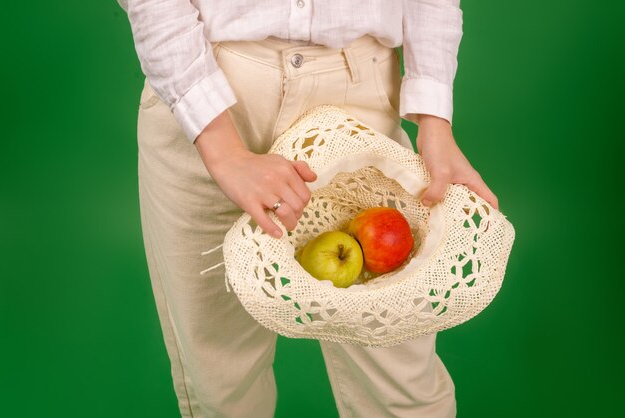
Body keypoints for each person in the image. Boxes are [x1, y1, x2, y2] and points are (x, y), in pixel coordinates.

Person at [119, 1, 499, 417]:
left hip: (360, 98)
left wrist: (434, 118)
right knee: (221, 385)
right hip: (208, 92)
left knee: (405, 391)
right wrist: (222, 150)